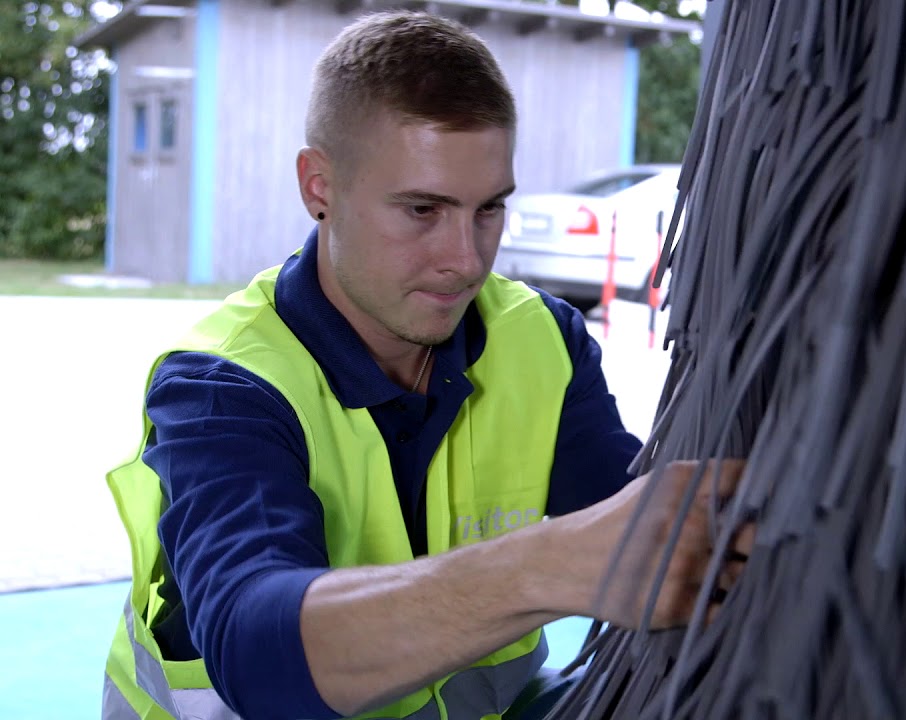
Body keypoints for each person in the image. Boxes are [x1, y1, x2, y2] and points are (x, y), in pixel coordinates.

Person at [101, 10, 747, 720]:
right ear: (319, 187)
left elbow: (637, 533)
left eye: (489, 210)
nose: (466, 260)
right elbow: (257, 654)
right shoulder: (221, 386)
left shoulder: (543, 339)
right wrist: (546, 565)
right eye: (421, 210)